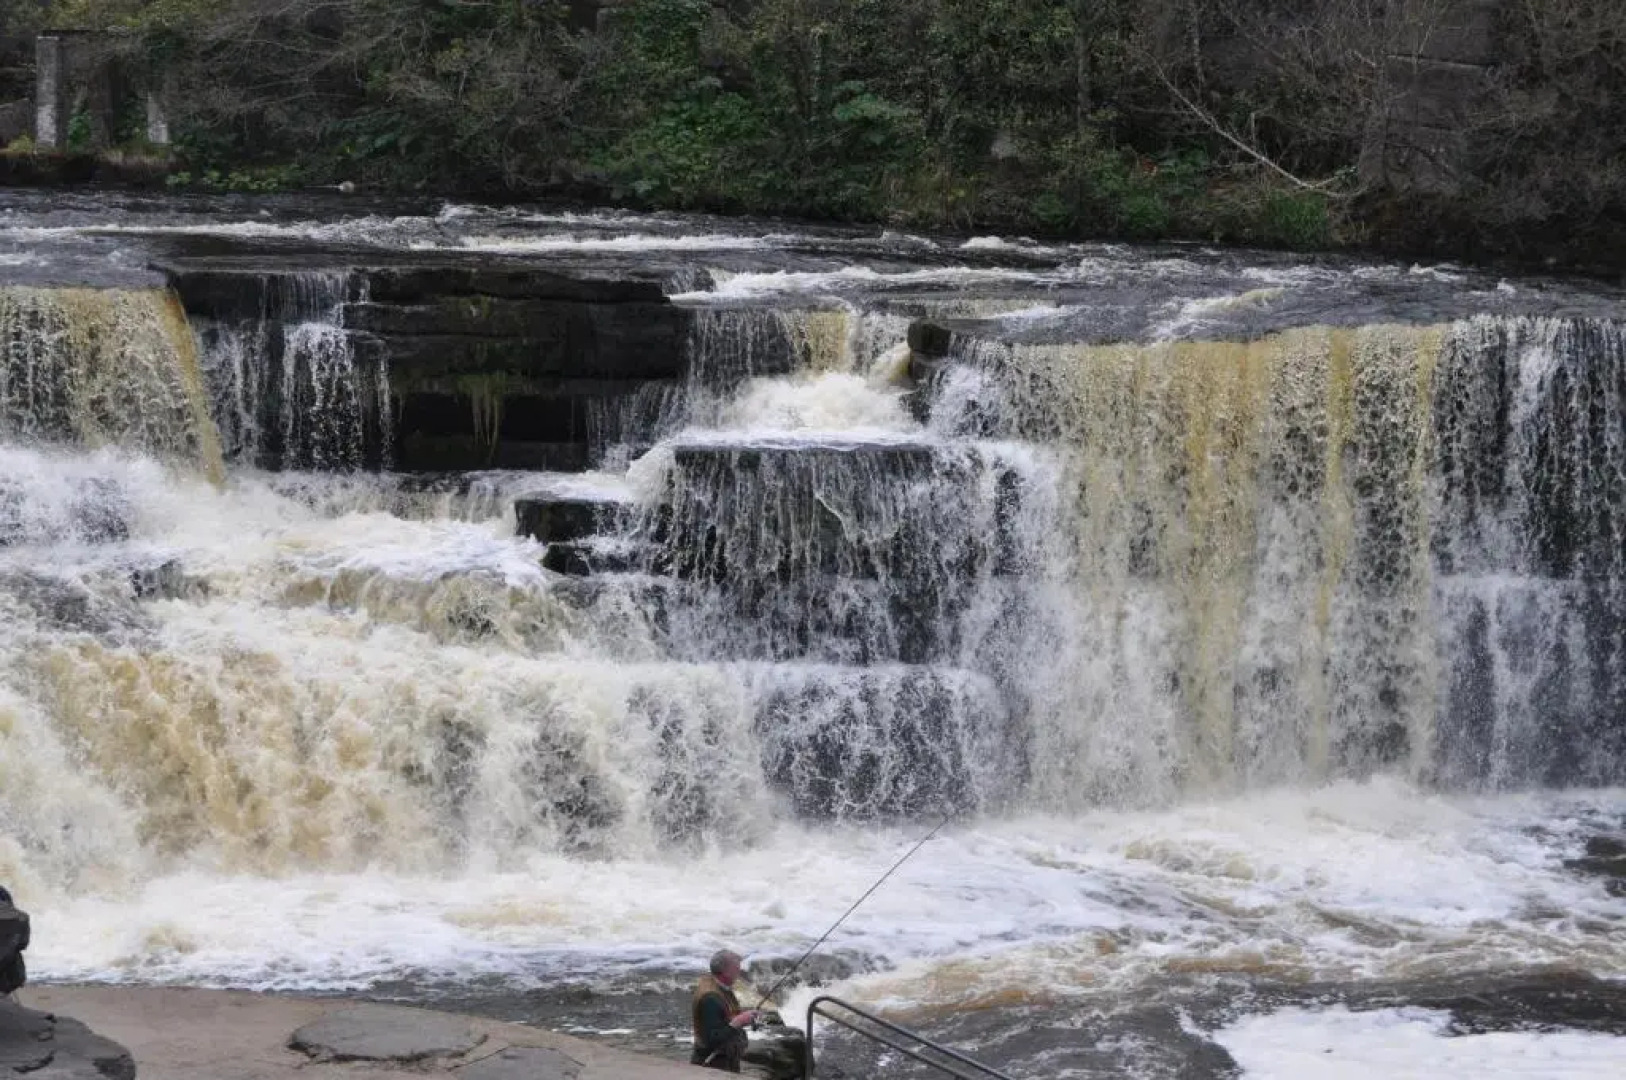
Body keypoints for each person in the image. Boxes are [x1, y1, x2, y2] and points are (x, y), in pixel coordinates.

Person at [690, 949, 757, 1072]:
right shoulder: (710, 998)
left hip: (724, 1061)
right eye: (736, 967)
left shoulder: (720, 986)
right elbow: (712, 1039)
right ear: (724, 971)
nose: (740, 971)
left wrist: (743, 1017)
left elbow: (723, 1018)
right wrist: (738, 1022)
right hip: (713, 1065)